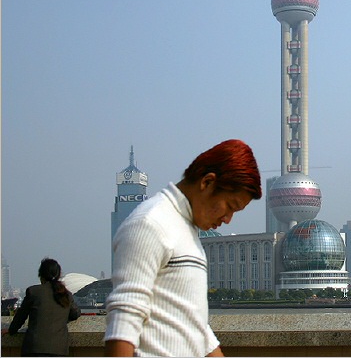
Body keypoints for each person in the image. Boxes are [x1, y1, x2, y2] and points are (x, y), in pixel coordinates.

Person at [104, 139, 262, 357]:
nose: (228, 219)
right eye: (230, 206)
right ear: (207, 182)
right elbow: (124, 319)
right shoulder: (149, 224)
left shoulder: (188, 232)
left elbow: (196, 326)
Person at [2, 258, 81, 356]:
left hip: (34, 348)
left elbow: (21, 316)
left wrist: (11, 330)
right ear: (58, 275)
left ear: (41, 275)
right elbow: (75, 313)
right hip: (59, 349)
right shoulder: (65, 294)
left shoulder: (33, 291)